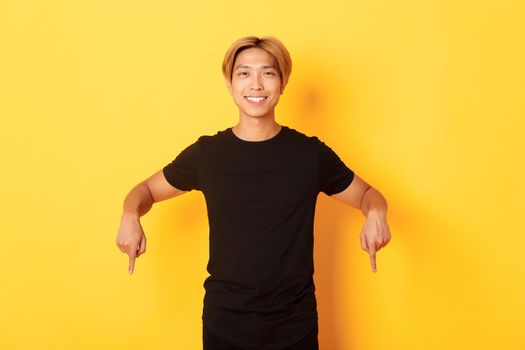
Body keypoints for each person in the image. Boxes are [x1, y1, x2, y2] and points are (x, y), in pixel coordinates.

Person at [116, 35, 391, 350]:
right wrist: (130, 214)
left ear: (282, 82)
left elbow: (368, 194)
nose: (256, 84)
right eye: (244, 73)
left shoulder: (309, 154)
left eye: (268, 73)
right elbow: (146, 190)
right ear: (230, 84)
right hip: (225, 324)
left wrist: (376, 213)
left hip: (295, 326)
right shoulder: (207, 154)